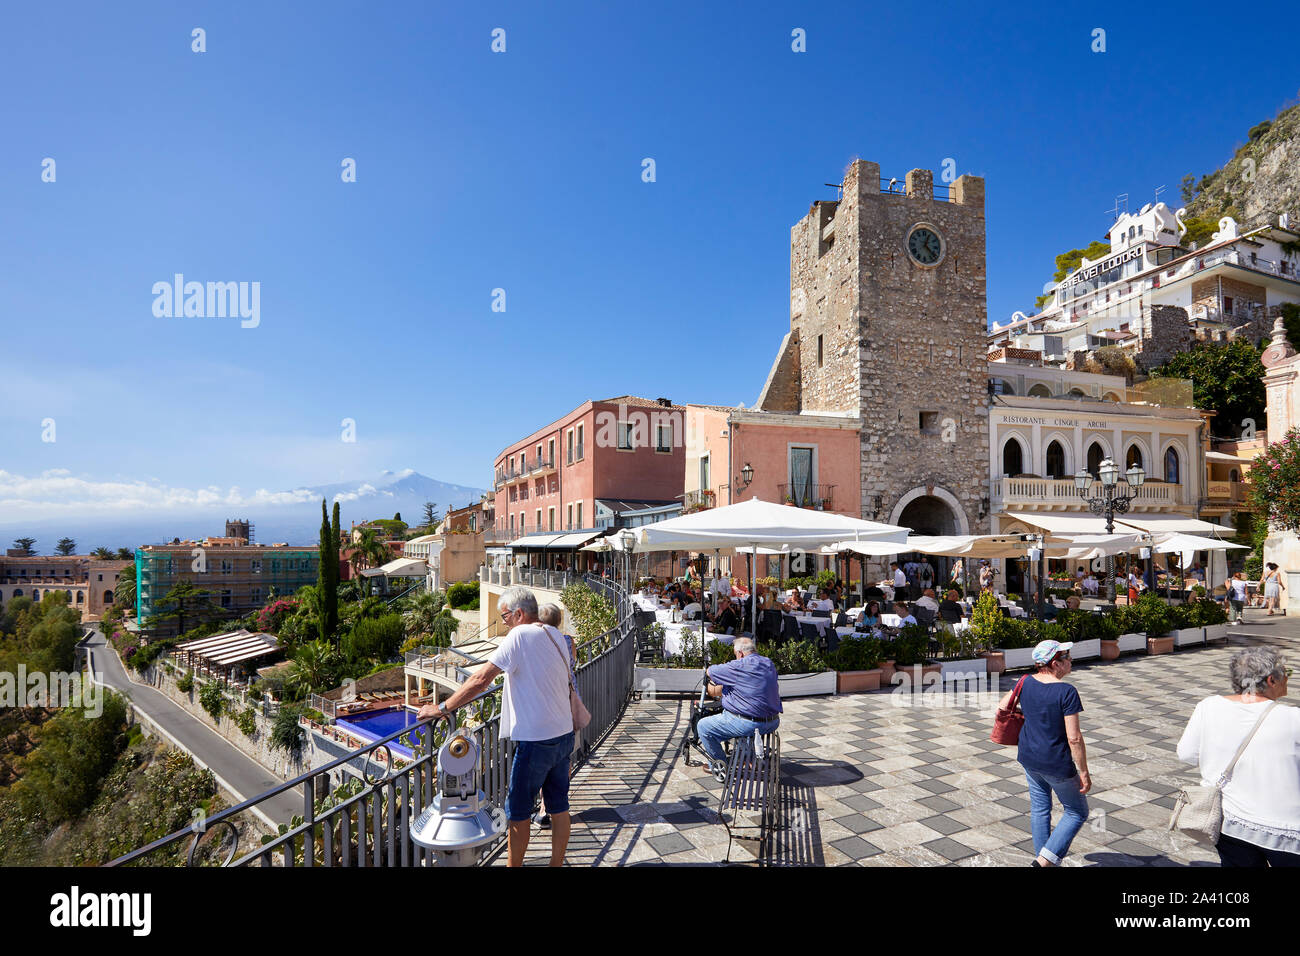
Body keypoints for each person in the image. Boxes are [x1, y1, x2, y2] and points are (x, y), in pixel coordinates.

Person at [418, 587, 573, 867]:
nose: (503, 622)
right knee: (559, 805)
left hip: (535, 740)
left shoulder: (519, 635)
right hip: (563, 733)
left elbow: (481, 679)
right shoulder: (555, 635)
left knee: (518, 811)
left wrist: (442, 708)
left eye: (505, 616)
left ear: (519, 613)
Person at [1176, 647, 1299, 866]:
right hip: (1287, 831)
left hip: (1230, 821)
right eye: (1286, 672)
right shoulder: (1293, 718)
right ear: (1271, 680)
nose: (1288, 678)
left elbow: (1186, 754)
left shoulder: (1208, 706)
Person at [999, 639, 1091, 867]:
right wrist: (1084, 771)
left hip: (1029, 757)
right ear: (1055, 664)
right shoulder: (1066, 692)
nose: (1071, 661)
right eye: (1067, 657)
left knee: (1040, 809)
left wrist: (1035, 713)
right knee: (1077, 811)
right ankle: (1043, 863)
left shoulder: (1025, 681)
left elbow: (1002, 706)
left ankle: (1043, 861)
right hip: (1056, 763)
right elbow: (1074, 738)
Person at [697, 637, 782, 777]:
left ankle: (720, 764)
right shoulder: (768, 662)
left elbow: (710, 671)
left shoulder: (738, 666)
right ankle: (749, 760)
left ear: (740, 653)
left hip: (750, 723)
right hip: (773, 721)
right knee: (742, 712)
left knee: (703, 726)